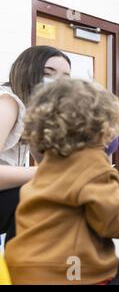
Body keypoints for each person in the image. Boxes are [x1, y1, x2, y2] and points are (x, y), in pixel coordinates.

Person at [5, 79, 119, 285]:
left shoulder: (48, 165)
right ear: (103, 127)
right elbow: (112, 223)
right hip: (68, 274)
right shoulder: (94, 164)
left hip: (24, 270)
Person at [0, 46, 71, 244]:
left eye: (65, 78)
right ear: (27, 72)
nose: (57, 83)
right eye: (48, 74)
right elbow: (49, 169)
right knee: (41, 198)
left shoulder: (33, 109)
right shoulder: (7, 103)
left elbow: (46, 159)